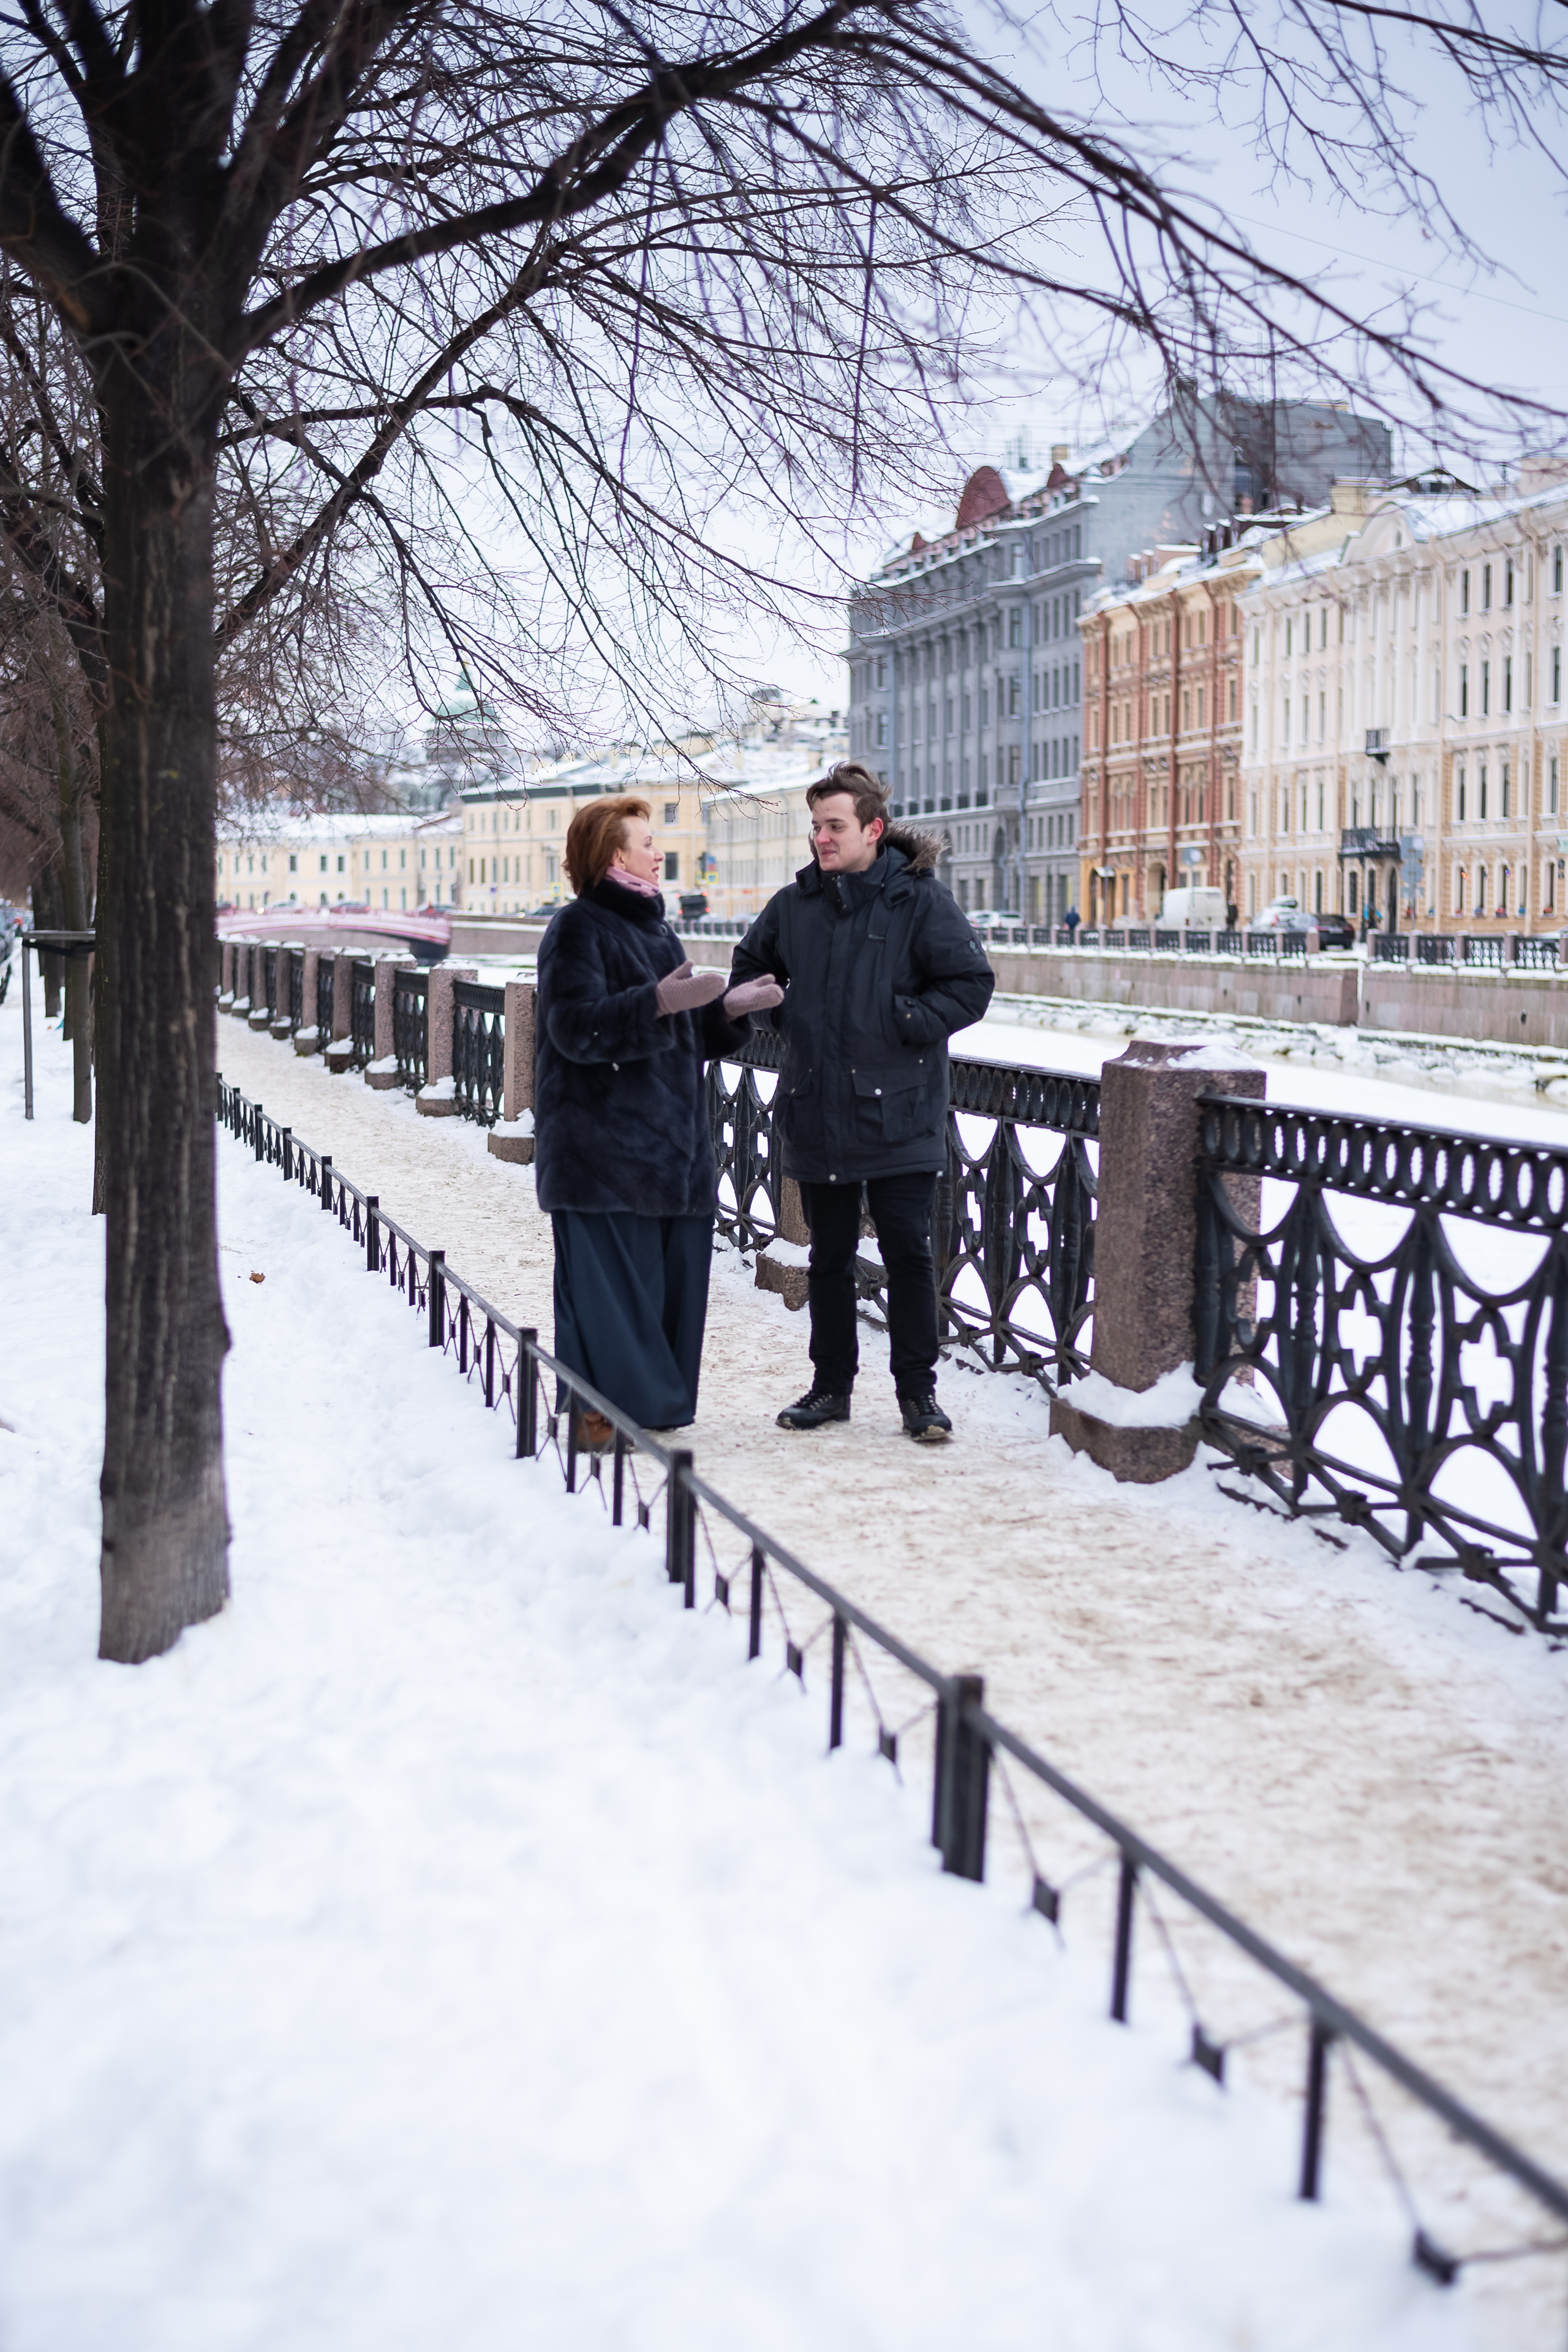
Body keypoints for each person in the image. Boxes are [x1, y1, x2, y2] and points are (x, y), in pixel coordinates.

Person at [729, 762, 995, 1443]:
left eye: (834, 826)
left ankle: (918, 1396)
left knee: (908, 1253)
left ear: (873, 829)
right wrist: (788, 1018)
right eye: (815, 826)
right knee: (829, 1259)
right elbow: (749, 973)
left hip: (900, 1111)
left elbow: (970, 984)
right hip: (818, 1108)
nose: (821, 838)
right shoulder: (795, 906)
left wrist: (899, 1020)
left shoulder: (919, 902)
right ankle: (829, 1388)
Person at [533, 795, 782, 1441]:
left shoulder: (658, 930)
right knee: (610, 1294)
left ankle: (644, 1409)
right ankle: (601, 1414)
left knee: (666, 1290)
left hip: (670, 1150)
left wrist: (726, 1011)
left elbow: (678, 1031)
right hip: (602, 1152)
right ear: (616, 853)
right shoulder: (577, 928)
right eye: (646, 839)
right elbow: (572, 1028)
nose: (657, 849)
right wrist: (654, 1001)